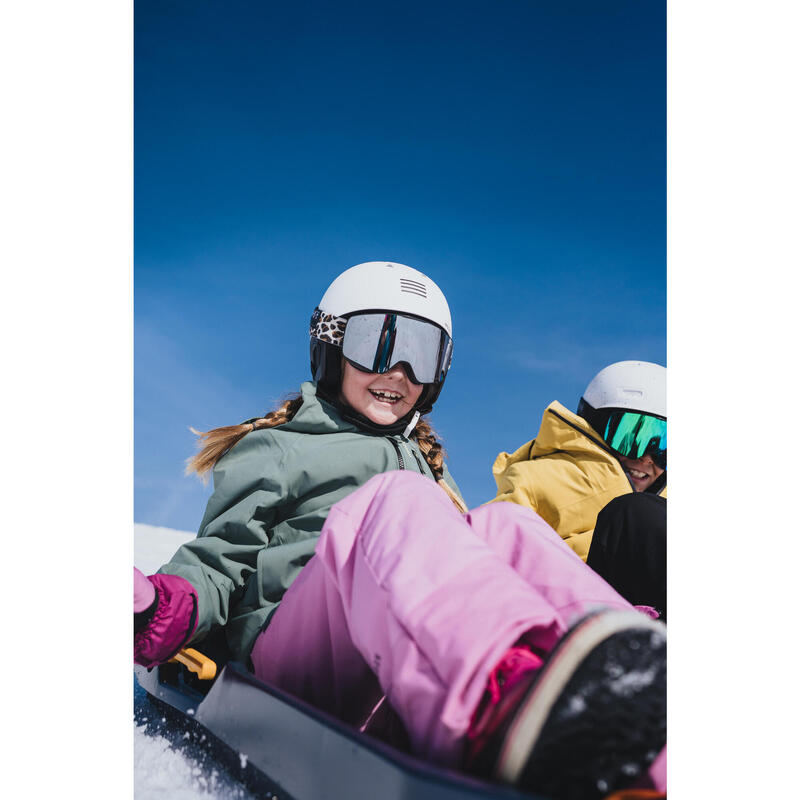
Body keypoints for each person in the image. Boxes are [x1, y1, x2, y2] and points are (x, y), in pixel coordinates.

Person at [134, 264, 666, 800]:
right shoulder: (282, 447)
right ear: (331, 344)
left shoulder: (429, 464)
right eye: (377, 343)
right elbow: (221, 558)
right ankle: (505, 701)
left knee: (507, 524)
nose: (400, 371)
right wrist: (162, 603)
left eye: (422, 352)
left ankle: (632, 683)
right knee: (398, 499)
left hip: (395, 670)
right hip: (302, 656)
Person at [491, 361, 667, 618]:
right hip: (571, 613)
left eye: (662, 446)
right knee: (634, 512)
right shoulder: (540, 479)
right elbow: (495, 545)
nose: (647, 459)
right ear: (593, 427)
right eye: (632, 438)